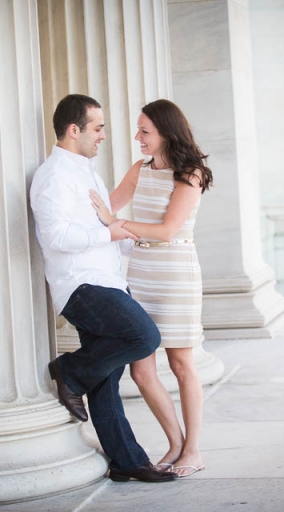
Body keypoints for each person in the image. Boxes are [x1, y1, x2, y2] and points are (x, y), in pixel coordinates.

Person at [29, 94, 176, 483]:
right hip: (81, 285)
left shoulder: (88, 172)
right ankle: (69, 371)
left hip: (106, 279)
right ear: (73, 130)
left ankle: (126, 460)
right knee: (144, 335)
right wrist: (107, 232)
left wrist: (129, 236)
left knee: (107, 378)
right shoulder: (53, 176)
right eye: (98, 127)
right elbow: (55, 236)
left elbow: (103, 228)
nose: (105, 136)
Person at [89, 99, 213, 478]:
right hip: (140, 273)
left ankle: (193, 449)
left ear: (165, 133)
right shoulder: (139, 170)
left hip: (176, 273)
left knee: (180, 363)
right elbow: (104, 210)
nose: (137, 137)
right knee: (141, 370)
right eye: (139, 129)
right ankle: (175, 443)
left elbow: (167, 231)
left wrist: (117, 224)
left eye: (145, 130)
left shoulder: (190, 174)